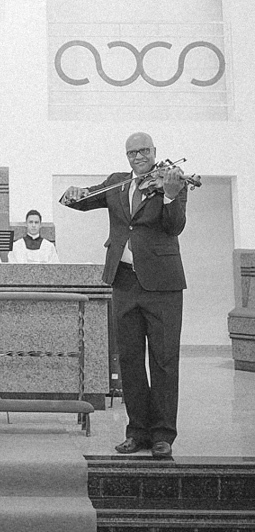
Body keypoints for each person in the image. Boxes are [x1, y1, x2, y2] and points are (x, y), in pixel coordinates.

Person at [60, 132, 187, 457]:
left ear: (154, 152)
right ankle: (137, 431)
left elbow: (174, 226)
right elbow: (80, 202)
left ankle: (162, 435)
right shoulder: (117, 183)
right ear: (126, 156)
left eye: (144, 151)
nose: (138, 156)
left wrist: (171, 196)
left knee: (164, 360)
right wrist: (70, 194)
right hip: (124, 282)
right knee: (129, 360)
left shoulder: (172, 181)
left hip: (163, 285)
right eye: (132, 152)